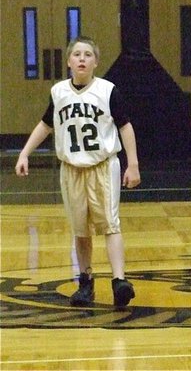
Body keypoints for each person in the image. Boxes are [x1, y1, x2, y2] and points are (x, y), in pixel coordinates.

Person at [14, 36, 140, 309]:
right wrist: (24, 153)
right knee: (81, 229)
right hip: (71, 168)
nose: (82, 59)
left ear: (96, 62)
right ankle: (85, 281)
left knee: (110, 223)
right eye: (77, 54)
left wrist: (133, 164)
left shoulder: (108, 91)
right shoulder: (59, 92)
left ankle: (120, 281)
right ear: (69, 61)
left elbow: (125, 126)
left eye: (87, 55)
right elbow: (46, 124)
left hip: (103, 166)